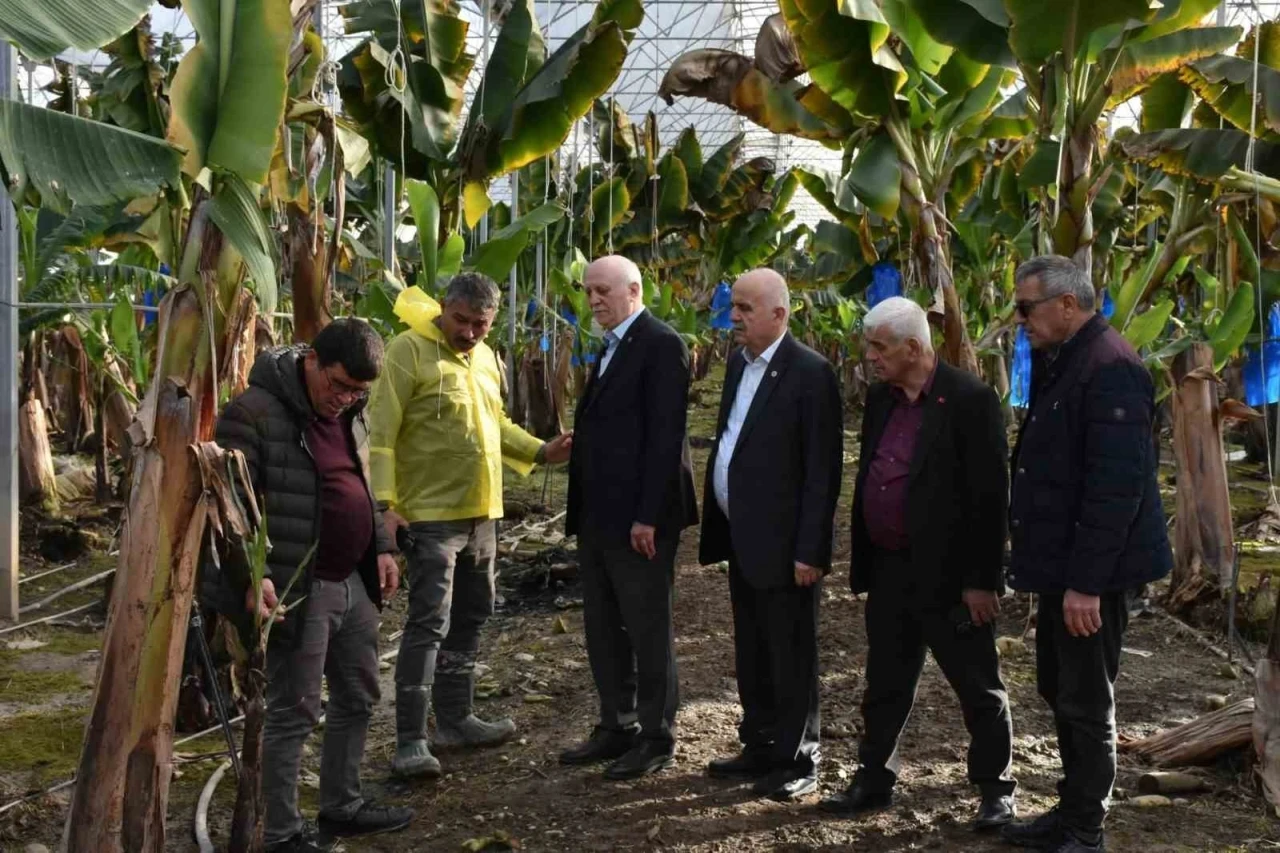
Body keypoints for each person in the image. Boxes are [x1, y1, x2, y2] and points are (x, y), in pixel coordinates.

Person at [213, 319, 414, 852]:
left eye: (358, 391)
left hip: (353, 579)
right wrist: (252, 576)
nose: (345, 398)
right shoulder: (252, 413)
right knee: (294, 710)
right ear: (312, 361)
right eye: (339, 384)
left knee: (358, 695)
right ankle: (279, 833)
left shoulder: (349, 412)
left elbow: (359, 482)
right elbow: (229, 507)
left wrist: (382, 547)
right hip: (297, 586)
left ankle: (342, 805)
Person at [367, 274, 572, 779]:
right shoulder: (407, 351)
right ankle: (410, 740)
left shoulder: (484, 358)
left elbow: (495, 423)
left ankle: (455, 719)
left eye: (481, 324)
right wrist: (384, 505)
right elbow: (381, 434)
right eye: (461, 321)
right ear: (444, 307)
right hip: (430, 515)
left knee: (473, 614)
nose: (470, 332)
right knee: (429, 621)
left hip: (483, 511)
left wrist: (540, 451)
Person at [822, 296, 1016, 829]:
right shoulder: (882, 400)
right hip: (890, 568)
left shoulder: (970, 400)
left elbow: (990, 499)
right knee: (885, 682)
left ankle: (996, 788)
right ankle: (874, 778)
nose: (870, 357)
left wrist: (982, 581)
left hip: (951, 577)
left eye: (879, 347)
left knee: (977, 687)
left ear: (913, 347)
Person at [1000, 256, 1172, 853]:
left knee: (1085, 700)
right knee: (1060, 688)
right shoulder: (1068, 359)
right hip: (1064, 567)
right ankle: (1071, 810)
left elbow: (1115, 490)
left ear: (1067, 305)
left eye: (1027, 307)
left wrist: (1086, 585)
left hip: (1093, 574)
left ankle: (1085, 828)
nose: (1020, 319)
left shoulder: (1110, 367)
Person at [699, 269, 844, 801]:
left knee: (791, 651)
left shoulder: (811, 373)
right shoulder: (740, 362)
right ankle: (759, 742)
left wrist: (811, 549)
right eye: (733, 306)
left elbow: (822, 472)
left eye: (745, 308)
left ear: (779, 315)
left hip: (788, 546)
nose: (733, 316)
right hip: (744, 535)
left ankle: (799, 756)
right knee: (754, 647)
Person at [560, 255, 699, 779]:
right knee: (604, 627)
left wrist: (648, 517)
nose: (593, 299)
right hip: (600, 515)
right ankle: (616, 724)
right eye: (588, 291)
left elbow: (666, 437)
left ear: (634, 290)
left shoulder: (661, 344)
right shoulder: (612, 345)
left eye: (603, 290)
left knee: (646, 627)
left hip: (640, 520)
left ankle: (656, 735)